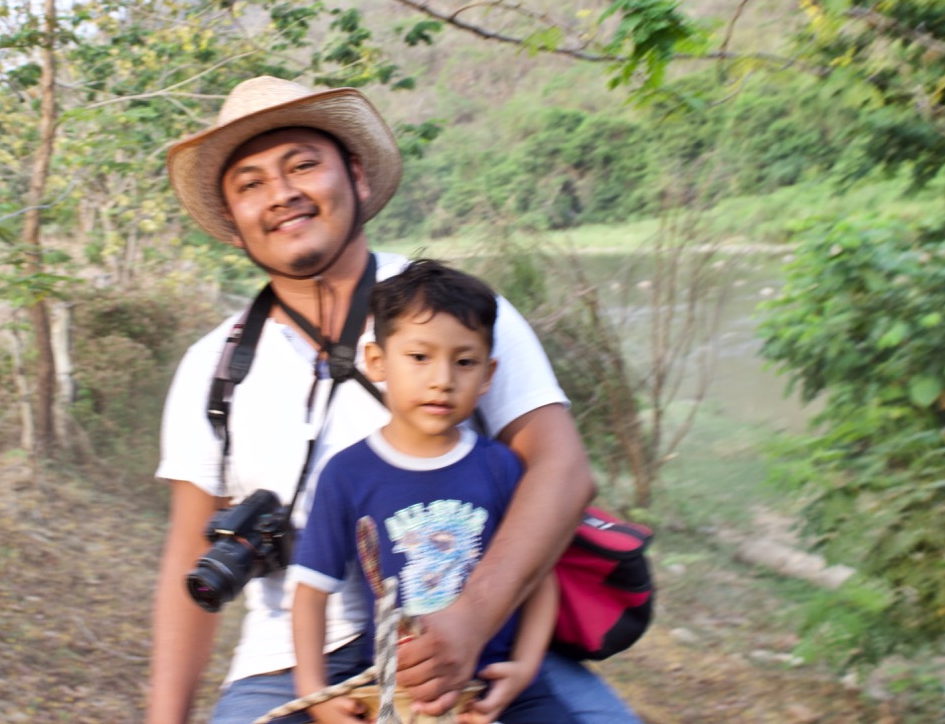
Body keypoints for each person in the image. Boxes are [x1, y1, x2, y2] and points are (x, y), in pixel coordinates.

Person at [149, 75, 640, 724]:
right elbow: (190, 558)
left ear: (354, 175)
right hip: (288, 669)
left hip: (480, 642)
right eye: (251, 183)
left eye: (303, 165)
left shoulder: (457, 313)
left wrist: (470, 620)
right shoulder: (211, 370)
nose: (283, 194)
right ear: (234, 226)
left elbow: (562, 469)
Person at [291, 259, 568, 724]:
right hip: (399, 687)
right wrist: (313, 691)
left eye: (464, 362)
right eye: (420, 358)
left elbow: (538, 578)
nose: (443, 379)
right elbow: (310, 594)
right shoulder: (348, 474)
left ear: (487, 375)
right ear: (377, 361)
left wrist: (523, 669)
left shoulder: (500, 467)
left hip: (491, 688)